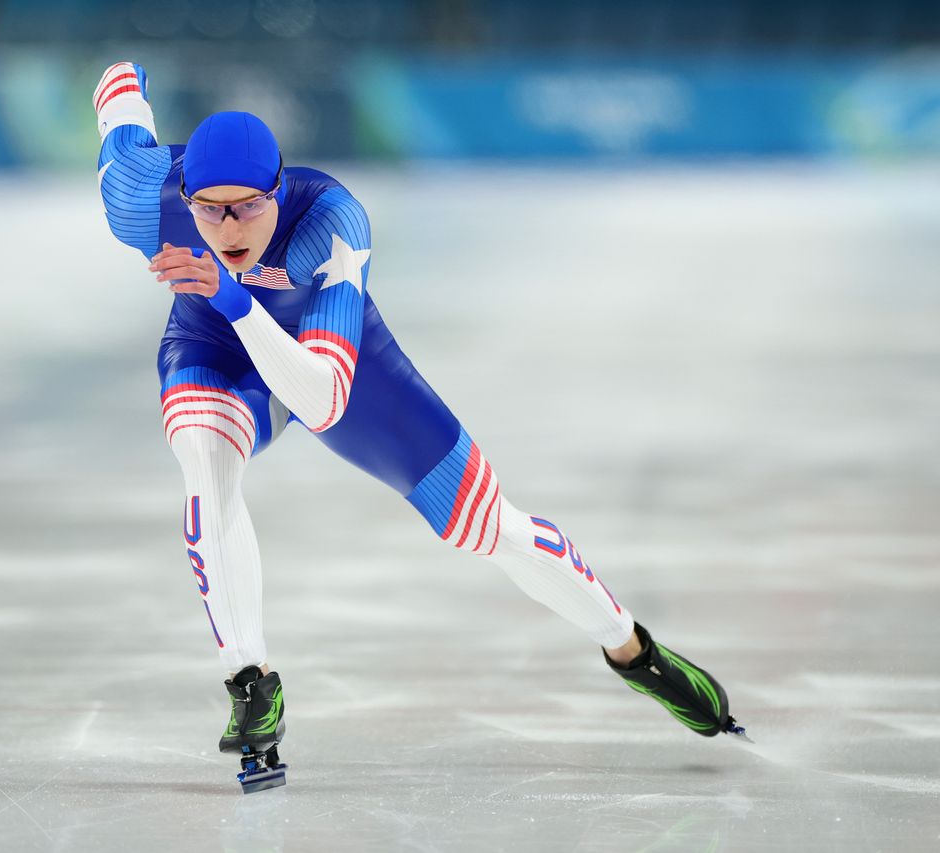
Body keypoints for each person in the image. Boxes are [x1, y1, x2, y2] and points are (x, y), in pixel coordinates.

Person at [93, 62, 744, 790]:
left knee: (488, 526)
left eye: (247, 207)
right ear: (184, 199)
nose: (228, 227)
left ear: (278, 192)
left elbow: (324, 399)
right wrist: (125, 81)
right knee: (204, 459)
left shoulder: (331, 223)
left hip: (337, 364)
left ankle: (632, 649)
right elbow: (119, 106)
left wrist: (236, 299)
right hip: (214, 345)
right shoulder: (142, 198)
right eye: (208, 211)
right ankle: (250, 680)